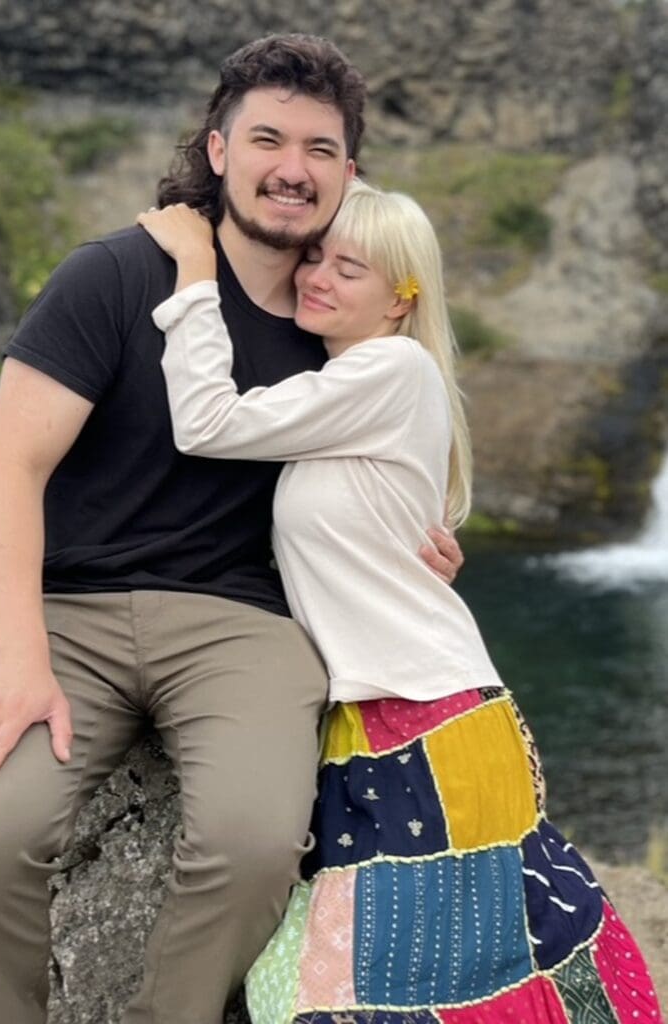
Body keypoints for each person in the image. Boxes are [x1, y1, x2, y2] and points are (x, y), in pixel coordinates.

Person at [0, 34, 465, 1024]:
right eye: (267, 139)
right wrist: (18, 658)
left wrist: (406, 533)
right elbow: (5, 467)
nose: (291, 169)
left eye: (320, 149)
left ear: (349, 171)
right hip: (66, 609)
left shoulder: (339, 319)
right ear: (218, 150)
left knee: (257, 840)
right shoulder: (116, 276)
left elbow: (384, 460)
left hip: (241, 622)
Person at [137, 181, 664, 1024]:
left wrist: (195, 272)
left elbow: (205, 422)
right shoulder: (347, 387)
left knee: (361, 993)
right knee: (402, 989)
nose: (317, 276)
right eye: (315, 256)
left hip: (423, 717)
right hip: (387, 715)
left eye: (350, 267)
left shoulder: (391, 367)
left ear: (401, 297)